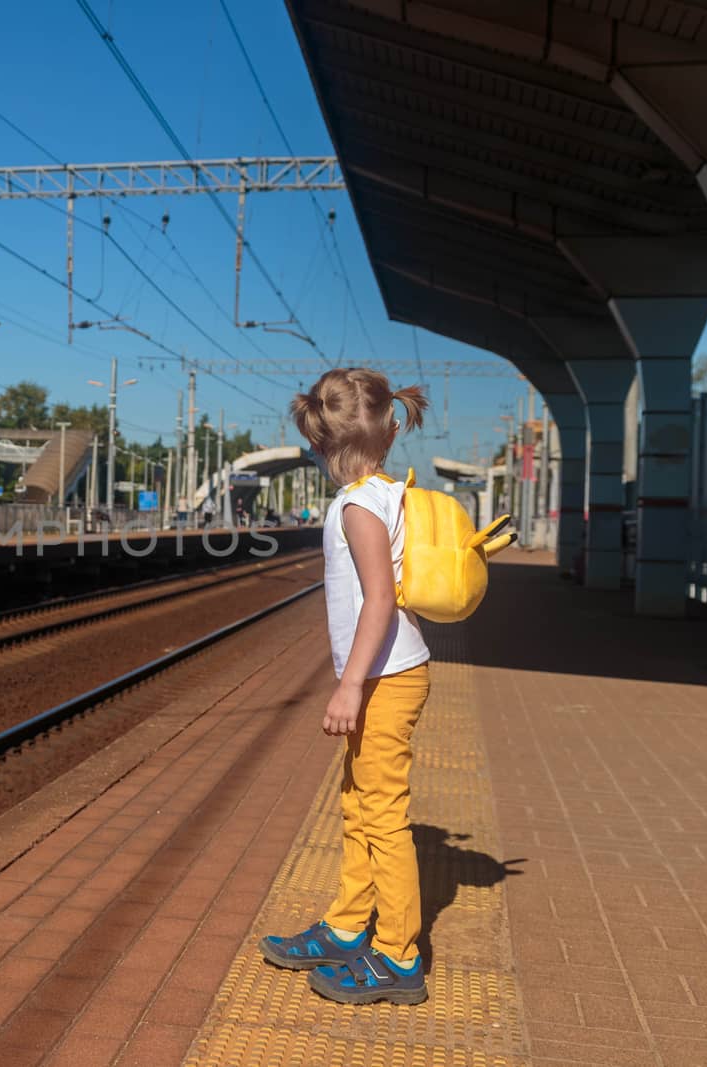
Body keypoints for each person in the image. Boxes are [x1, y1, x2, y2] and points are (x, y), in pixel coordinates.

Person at [258, 367, 432, 1006]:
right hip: (391, 674)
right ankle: (348, 927)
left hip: (383, 677)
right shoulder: (389, 492)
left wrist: (349, 685)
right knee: (360, 803)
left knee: (382, 816)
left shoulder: (357, 506)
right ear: (389, 431)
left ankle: (398, 956)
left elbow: (379, 601)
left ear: (320, 447)